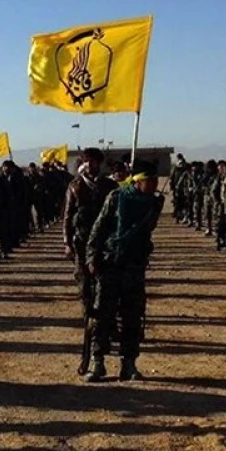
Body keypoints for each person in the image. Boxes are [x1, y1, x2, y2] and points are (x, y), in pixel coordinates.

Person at [84, 159, 163, 383]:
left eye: (156, 180)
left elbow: (148, 230)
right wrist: (92, 257)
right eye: (150, 180)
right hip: (110, 265)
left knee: (132, 317)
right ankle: (97, 362)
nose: (155, 184)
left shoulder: (152, 203)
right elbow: (97, 230)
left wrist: (155, 209)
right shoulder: (116, 198)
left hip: (134, 267)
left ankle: (128, 364)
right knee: (102, 316)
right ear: (138, 181)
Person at [64, 148, 118, 322]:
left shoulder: (110, 187)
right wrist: (67, 243)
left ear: (99, 163)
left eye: (92, 161)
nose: (88, 165)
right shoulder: (74, 186)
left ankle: (106, 321)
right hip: (81, 240)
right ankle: (88, 314)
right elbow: (67, 216)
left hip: (104, 241)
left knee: (106, 283)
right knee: (83, 280)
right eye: (86, 161)